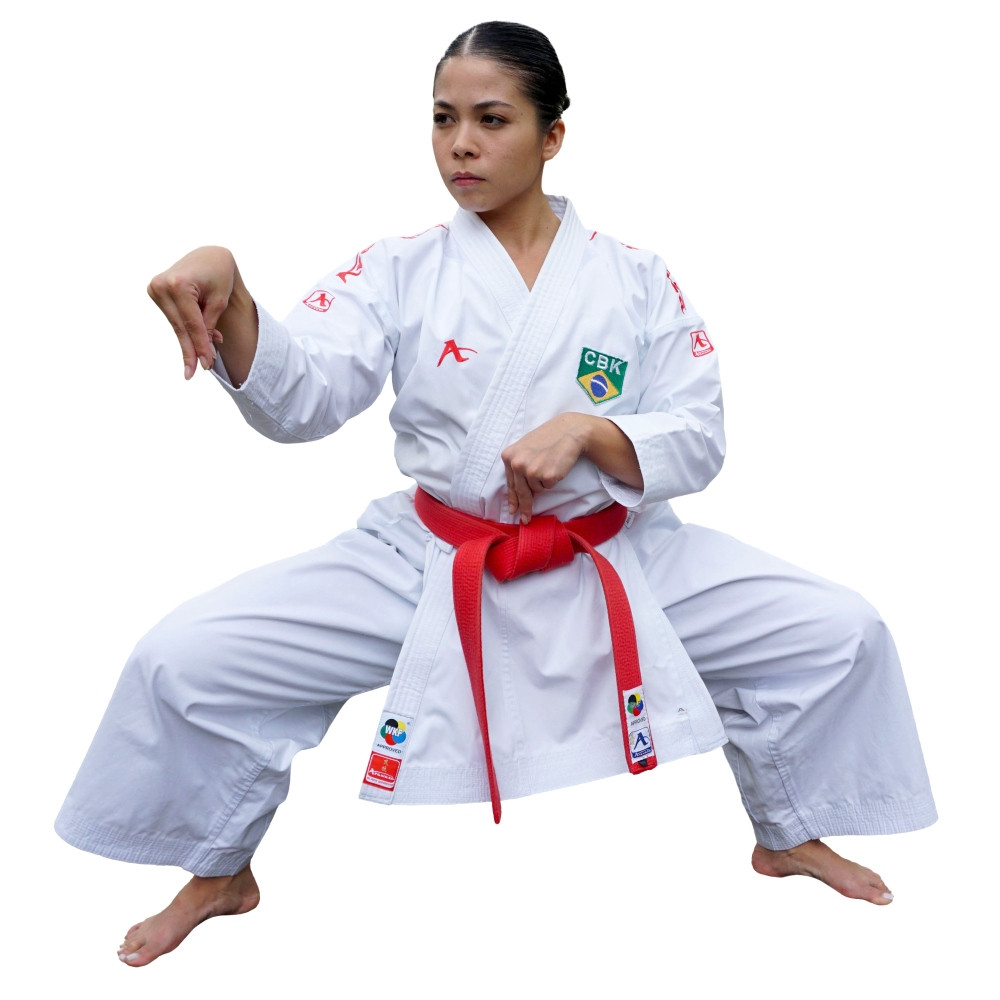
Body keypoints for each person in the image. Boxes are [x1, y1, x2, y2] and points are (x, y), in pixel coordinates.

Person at [55, 21, 936, 967]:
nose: (460, 145)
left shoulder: (635, 278)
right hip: (436, 556)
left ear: (553, 135)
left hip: (610, 551)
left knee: (838, 632)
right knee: (185, 656)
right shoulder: (398, 269)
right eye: (442, 120)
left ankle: (787, 829)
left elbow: (700, 432)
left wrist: (595, 432)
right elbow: (302, 396)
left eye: (491, 119)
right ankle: (220, 869)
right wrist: (230, 294)